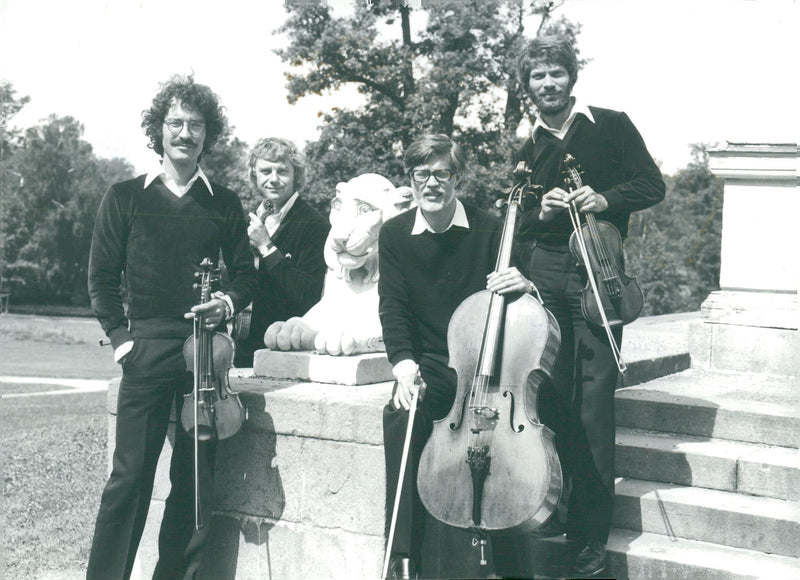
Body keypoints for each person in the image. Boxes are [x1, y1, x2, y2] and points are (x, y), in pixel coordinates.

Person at [86, 74, 256, 580]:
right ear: (158, 131)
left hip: (205, 355)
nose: (186, 133)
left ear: (208, 134)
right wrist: (121, 343)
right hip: (145, 350)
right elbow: (99, 278)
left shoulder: (223, 201)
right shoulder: (124, 196)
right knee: (129, 479)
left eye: (196, 125)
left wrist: (224, 303)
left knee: (195, 480)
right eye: (176, 123)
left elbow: (246, 277)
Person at [513, 35, 665, 577]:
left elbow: (652, 184)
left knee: (595, 405)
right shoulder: (527, 146)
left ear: (570, 76)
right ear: (527, 86)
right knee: (550, 399)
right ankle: (557, 506)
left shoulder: (612, 124)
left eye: (555, 73)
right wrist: (544, 209)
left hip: (600, 269)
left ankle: (590, 538)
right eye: (537, 77)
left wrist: (605, 199)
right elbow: (520, 222)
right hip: (546, 275)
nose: (548, 84)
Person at [379, 134, 540, 579]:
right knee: (400, 414)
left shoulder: (491, 228)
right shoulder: (394, 233)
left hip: (489, 366)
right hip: (432, 361)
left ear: (457, 177)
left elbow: (526, 302)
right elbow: (392, 306)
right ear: (410, 180)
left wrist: (523, 285)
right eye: (421, 174)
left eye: (442, 173)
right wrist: (404, 365)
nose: (432, 183)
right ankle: (402, 554)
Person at [233, 137, 329, 367]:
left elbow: (308, 295)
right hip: (246, 345)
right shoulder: (256, 216)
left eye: (282, 171)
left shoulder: (314, 224)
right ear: (254, 175)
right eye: (265, 171)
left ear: (296, 176)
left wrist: (267, 247)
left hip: (287, 352)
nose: (273, 179)